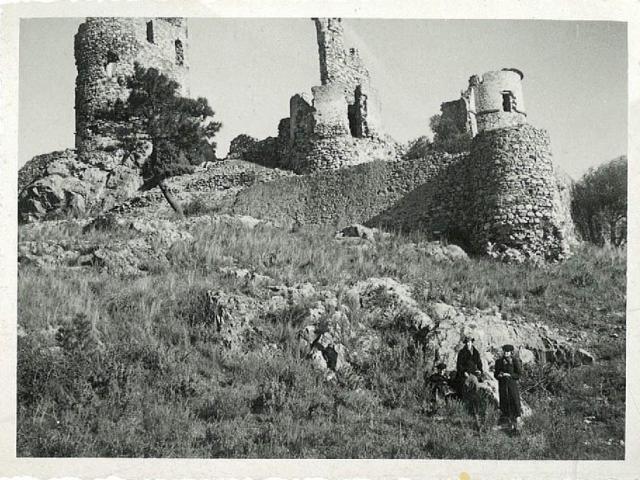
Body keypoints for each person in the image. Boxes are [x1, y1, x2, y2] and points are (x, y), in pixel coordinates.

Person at [494, 344, 523, 433]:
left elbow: (518, 374)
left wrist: (510, 375)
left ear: (511, 352)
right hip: (502, 385)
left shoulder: (514, 361)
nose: (506, 353)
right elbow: (495, 374)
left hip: (512, 385)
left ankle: (517, 424)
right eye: (505, 351)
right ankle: (506, 423)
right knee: (504, 401)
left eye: (508, 352)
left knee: (515, 401)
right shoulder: (499, 361)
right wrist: (499, 375)